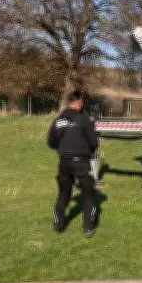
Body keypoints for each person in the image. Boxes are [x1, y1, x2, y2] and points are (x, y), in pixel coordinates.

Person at [47, 91, 99, 237]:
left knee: (63, 193)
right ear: (79, 102)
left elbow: (51, 142)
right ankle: (88, 228)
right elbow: (94, 142)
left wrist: (63, 147)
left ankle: (58, 226)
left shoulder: (58, 120)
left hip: (64, 162)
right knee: (88, 195)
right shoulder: (84, 119)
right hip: (81, 162)